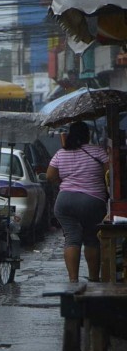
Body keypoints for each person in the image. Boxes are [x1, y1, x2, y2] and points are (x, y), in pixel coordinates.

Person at [46, 121, 109, 283]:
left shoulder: (61, 153)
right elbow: (109, 174)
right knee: (91, 238)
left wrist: (64, 183)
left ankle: (73, 280)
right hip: (93, 201)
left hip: (65, 200)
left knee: (72, 239)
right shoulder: (98, 152)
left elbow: (49, 176)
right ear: (87, 135)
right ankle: (94, 278)